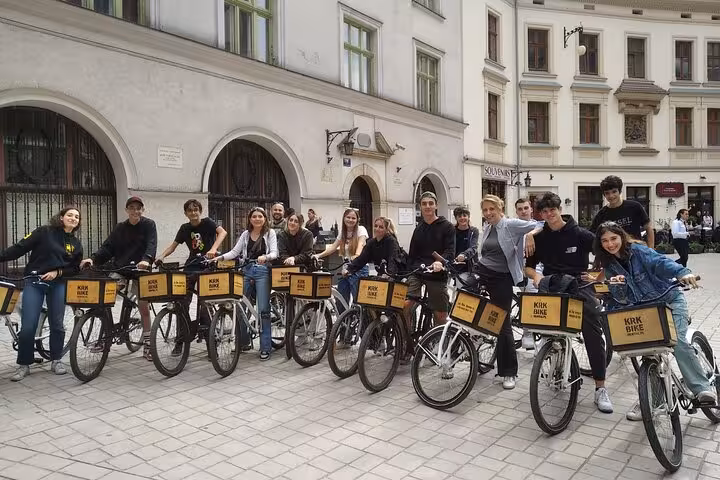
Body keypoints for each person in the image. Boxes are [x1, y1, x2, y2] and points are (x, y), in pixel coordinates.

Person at [594, 221, 716, 420]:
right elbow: (619, 300)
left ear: (621, 237)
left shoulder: (639, 252)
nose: (610, 244)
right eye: (605, 241)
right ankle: (655, 401)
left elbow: (660, 262)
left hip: (669, 302)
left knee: (676, 342)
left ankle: (702, 388)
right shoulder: (609, 266)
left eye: (613, 238)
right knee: (649, 354)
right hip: (645, 311)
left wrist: (683, 273)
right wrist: (614, 290)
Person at [525, 192, 614, 413]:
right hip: (552, 287)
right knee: (547, 331)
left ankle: (600, 388)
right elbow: (528, 267)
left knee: (593, 335)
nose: (549, 215)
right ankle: (554, 361)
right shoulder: (538, 237)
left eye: (552, 210)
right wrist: (537, 278)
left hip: (579, 288)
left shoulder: (581, 234)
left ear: (559, 208)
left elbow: (607, 255)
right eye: (544, 212)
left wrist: (597, 277)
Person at [3, 207, 83, 381]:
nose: (73, 218)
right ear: (61, 217)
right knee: (28, 326)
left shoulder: (76, 244)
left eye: (76, 217)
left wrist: (58, 273)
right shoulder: (44, 232)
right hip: (35, 282)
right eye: (69, 215)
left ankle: (56, 360)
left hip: (58, 284)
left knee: (57, 324)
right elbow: (19, 248)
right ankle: (24, 364)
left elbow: (74, 268)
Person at [474, 195, 540, 389]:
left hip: (501, 277)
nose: (488, 213)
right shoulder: (488, 228)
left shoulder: (510, 224)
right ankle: (467, 347)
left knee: (502, 323)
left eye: (491, 209)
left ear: (500, 208)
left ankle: (509, 371)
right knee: (467, 307)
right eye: (485, 210)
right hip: (483, 272)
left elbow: (541, 224)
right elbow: (483, 253)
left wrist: (529, 235)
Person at [81, 197, 157, 361]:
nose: (135, 211)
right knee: (106, 296)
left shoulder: (149, 224)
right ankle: (105, 337)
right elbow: (107, 247)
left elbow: (151, 244)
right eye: (131, 208)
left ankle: (148, 344)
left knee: (143, 306)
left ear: (142, 210)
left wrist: (147, 259)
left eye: (138, 208)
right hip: (121, 268)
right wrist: (92, 259)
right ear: (127, 210)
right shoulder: (120, 228)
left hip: (140, 268)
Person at [155, 199, 227, 353]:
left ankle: (210, 344)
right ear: (186, 213)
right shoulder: (185, 228)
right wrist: (162, 256)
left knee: (204, 305)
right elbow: (173, 246)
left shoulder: (208, 223)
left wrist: (213, 249)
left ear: (200, 211)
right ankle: (182, 339)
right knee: (181, 302)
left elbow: (223, 232)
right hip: (191, 265)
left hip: (208, 265)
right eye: (190, 210)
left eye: (196, 210)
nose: (193, 213)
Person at [211, 207, 278, 360]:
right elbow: (235, 252)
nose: (257, 219)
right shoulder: (245, 234)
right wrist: (219, 258)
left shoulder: (270, 233)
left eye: (260, 216)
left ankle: (265, 347)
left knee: (263, 310)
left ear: (265, 219)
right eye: (254, 216)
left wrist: (265, 257)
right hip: (246, 270)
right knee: (239, 306)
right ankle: (244, 342)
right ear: (250, 219)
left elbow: (275, 253)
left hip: (262, 271)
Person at [404, 192, 455, 348]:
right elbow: (412, 254)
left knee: (440, 312)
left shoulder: (447, 226)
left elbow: (450, 251)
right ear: (420, 206)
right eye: (424, 203)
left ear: (436, 205)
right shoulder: (419, 228)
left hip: (437, 273)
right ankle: (407, 341)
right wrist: (407, 271)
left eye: (430, 203)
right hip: (418, 272)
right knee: (404, 306)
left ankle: (441, 344)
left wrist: (440, 262)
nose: (427, 206)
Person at [313, 208, 368, 313]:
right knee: (341, 300)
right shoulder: (343, 232)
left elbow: (360, 246)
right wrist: (318, 255)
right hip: (345, 269)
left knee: (358, 302)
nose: (350, 220)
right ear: (344, 218)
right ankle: (343, 326)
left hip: (359, 269)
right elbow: (333, 247)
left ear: (357, 220)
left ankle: (361, 324)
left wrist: (355, 256)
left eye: (353, 218)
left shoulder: (361, 230)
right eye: (348, 217)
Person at [590, 175, 654, 248]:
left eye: (614, 192)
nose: (611, 196)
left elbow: (648, 228)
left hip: (635, 251)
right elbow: (593, 235)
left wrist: (651, 251)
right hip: (613, 254)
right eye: (607, 193)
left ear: (619, 191)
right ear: (604, 195)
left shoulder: (634, 207)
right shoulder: (602, 214)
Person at [516, 197, 543, 350]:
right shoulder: (513, 225)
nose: (523, 211)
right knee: (527, 298)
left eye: (526, 208)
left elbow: (542, 227)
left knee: (533, 297)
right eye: (520, 209)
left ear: (531, 209)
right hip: (517, 267)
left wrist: (530, 235)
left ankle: (531, 331)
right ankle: (527, 332)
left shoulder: (538, 224)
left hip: (535, 266)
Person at [453, 206, 479, 272]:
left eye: (464, 215)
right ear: (456, 218)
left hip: (470, 266)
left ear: (468, 217)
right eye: (459, 216)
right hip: (456, 265)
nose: (462, 218)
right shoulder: (452, 231)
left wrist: (464, 255)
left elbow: (474, 247)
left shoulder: (474, 231)